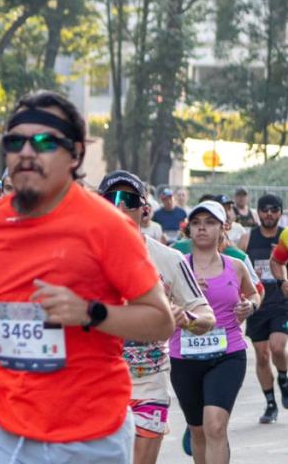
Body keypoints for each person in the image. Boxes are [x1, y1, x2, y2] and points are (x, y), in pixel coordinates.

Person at [0, 90, 175, 463]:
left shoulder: (109, 226)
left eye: (46, 141)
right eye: (16, 141)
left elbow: (160, 320)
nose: (28, 152)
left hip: (91, 433)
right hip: (6, 428)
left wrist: (90, 313)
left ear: (76, 153)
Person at [98, 170, 216, 464]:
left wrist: (187, 317)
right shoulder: (81, 255)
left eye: (128, 199)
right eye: (111, 198)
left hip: (149, 378)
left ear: (144, 209)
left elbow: (206, 316)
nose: (119, 206)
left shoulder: (170, 259)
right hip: (96, 379)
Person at [171, 201, 258, 464]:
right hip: (184, 357)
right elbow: (159, 301)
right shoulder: (177, 266)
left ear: (224, 229)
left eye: (210, 223)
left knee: (215, 425)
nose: (202, 228)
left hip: (227, 353)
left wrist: (250, 306)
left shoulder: (236, 265)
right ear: (188, 230)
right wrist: (184, 292)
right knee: (198, 432)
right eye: (196, 223)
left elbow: (253, 293)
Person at [235, 193, 288, 423]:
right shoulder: (247, 239)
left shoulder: (284, 238)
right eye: (265, 209)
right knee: (262, 355)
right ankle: (270, 404)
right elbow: (236, 268)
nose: (269, 213)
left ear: (280, 213)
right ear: (258, 212)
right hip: (257, 304)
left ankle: (284, 379)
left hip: (281, 302)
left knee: (277, 348)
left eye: (274, 209)